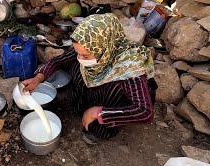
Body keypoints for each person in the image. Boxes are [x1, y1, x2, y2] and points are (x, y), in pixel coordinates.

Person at [22, 13, 157, 145]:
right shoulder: (88, 45)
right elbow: (59, 61)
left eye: (85, 56)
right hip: (92, 89)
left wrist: (99, 113)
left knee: (109, 90)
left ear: (105, 48)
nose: (80, 58)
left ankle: (99, 129)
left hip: (112, 101)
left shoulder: (130, 69)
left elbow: (145, 112)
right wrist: (38, 78)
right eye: (78, 53)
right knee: (77, 67)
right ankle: (81, 107)